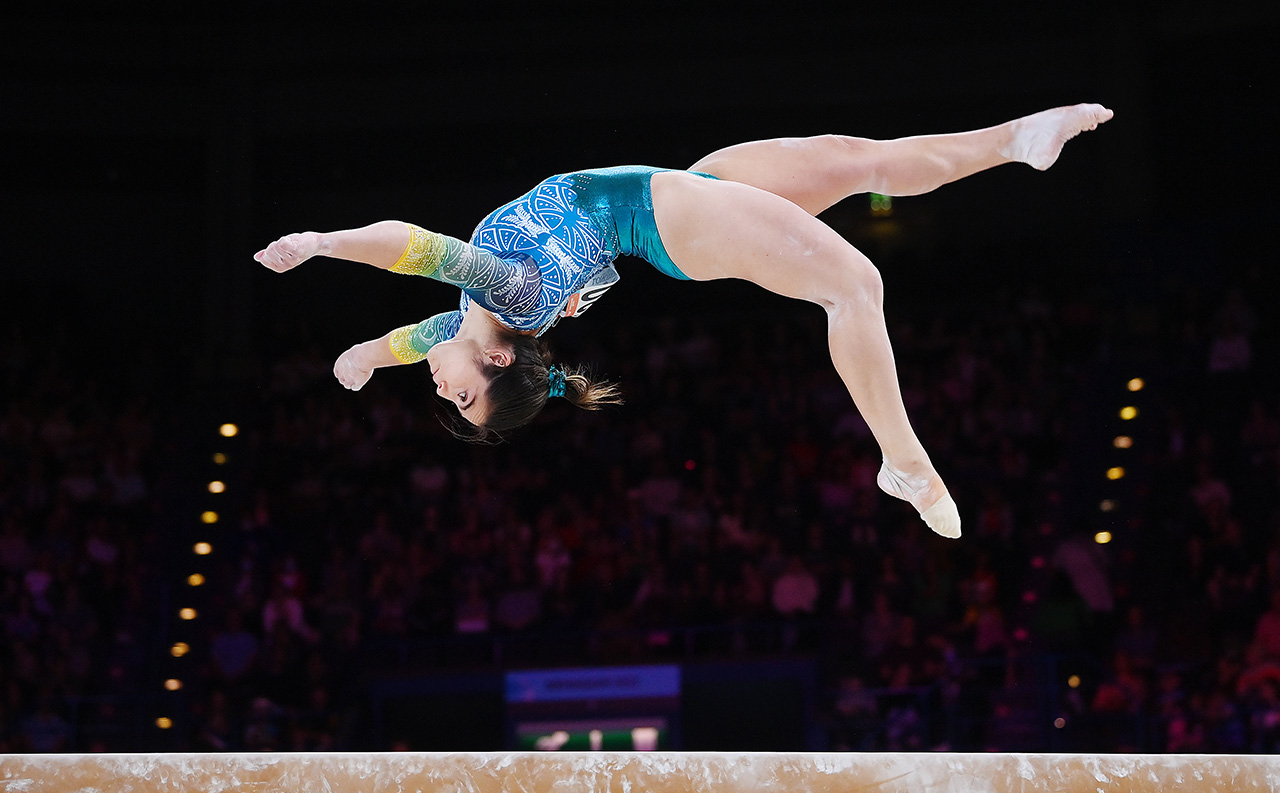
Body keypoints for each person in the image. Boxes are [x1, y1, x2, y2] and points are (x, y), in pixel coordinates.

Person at [255, 103, 1114, 539]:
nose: (445, 390)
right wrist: (325, 244)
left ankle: (1017, 139)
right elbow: (418, 246)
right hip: (667, 218)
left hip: (677, 187)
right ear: (501, 366)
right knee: (855, 286)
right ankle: (904, 463)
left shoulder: (471, 321)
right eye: (466, 402)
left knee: (862, 162)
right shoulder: (509, 296)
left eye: (449, 398)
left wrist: (365, 355)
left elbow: (422, 336)